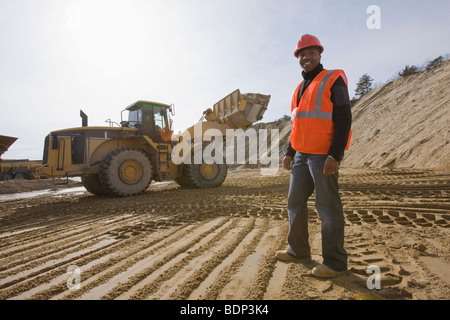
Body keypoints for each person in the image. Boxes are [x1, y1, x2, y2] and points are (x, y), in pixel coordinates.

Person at [275, 34, 352, 278]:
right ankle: (298, 250)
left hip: (323, 155)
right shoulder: (298, 89)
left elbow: (344, 117)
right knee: (294, 203)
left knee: (327, 208)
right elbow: (298, 124)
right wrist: (290, 151)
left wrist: (335, 154)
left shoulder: (333, 78)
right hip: (301, 155)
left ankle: (335, 262)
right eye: (301, 54)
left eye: (311, 53)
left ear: (319, 54)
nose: (306, 57)